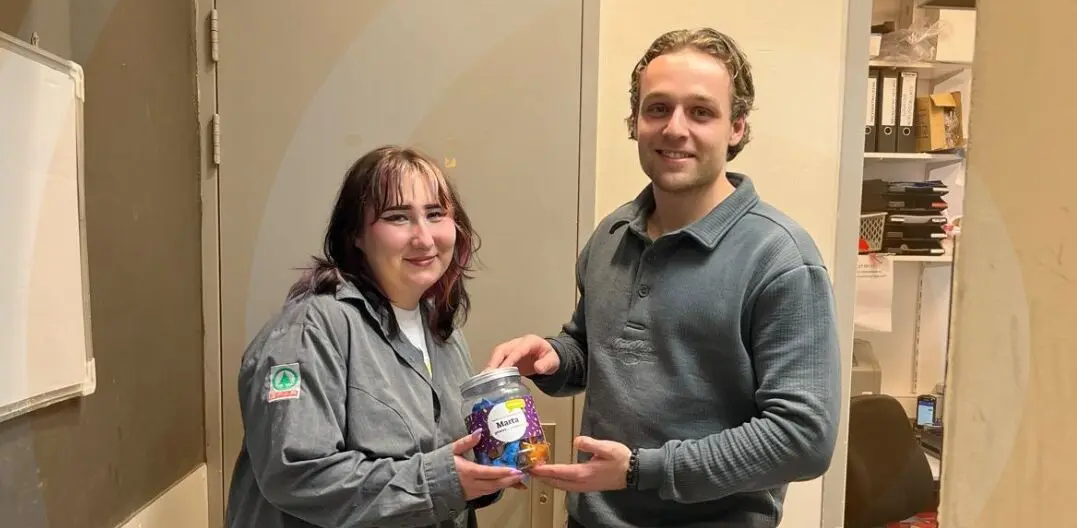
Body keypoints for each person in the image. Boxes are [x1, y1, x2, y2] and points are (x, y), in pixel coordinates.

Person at [487, 28, 842, 528]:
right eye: (658, 109)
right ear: (635, 122)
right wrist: (554, 357)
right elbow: (596, 349)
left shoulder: (780, 258)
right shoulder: (613, 234)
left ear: (736, 127)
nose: (675, 129)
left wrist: (641, 470)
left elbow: (803, 438)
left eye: (701, 112)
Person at [226, 146, 524, 528]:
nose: (424, 238)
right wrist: (441, 483)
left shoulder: (442, 331)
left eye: (435, 214)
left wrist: (493, 463)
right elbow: (296, 474)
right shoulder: (310, 331)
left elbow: (446, 462)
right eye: (397, 217)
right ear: (355, 235)